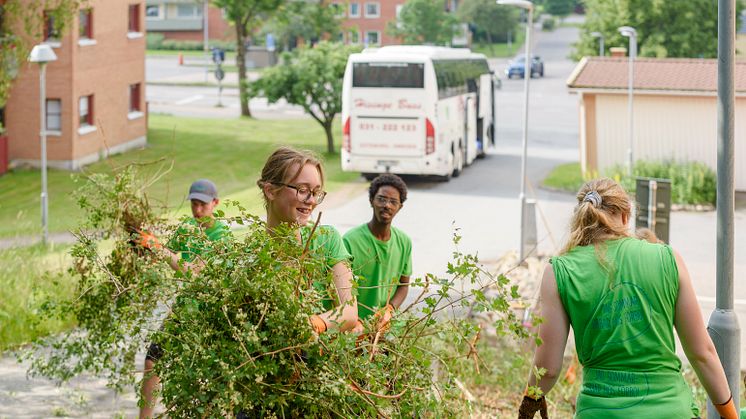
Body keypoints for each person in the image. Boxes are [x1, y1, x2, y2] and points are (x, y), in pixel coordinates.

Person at [518, 178, 737, 419]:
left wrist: (530, 401)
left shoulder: (559, 272)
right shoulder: (667, 259)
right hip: (670, 410)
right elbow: (702, 353)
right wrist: (730, 415)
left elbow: (547, 369)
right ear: (625, 216)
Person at [139, 179, 230, 419]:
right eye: (194, 204)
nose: (197, 210)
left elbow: (196, 272)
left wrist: (158, 248)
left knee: (206, 377)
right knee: (152, 362)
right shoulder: (187, 227)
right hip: (186, 306)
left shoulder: (222, 236)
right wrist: (143, 246)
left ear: (215, 203)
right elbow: (166, 254)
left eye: (202, 205)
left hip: (211, 313)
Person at [257, 146, 357, 333]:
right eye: (303, 190)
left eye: (316, 192)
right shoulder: (251, 256)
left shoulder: (327, 240)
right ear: (270, 191)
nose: (311, 200)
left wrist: (313, 325)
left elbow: (349, 311)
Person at [343, 174, 412, 331]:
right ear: (371, 201)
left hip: (386, 328)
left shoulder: (404, 242)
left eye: (393, 202)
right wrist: (354, 320)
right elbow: (338, 289)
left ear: (400, 207)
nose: (387, 205)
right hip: (354, 328)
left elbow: (404, 285)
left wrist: (390, 310)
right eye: (381, 199)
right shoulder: (350, 241)